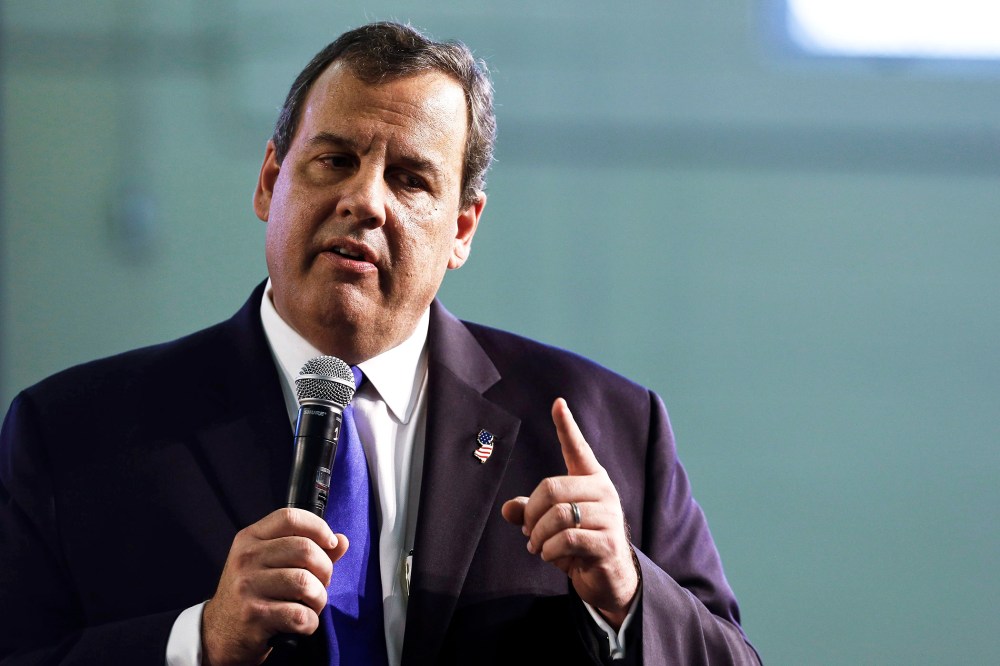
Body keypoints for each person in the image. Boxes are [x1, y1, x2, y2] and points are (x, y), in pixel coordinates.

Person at [0, 21, 761, 666]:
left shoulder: (608, 428)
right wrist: (199, 639)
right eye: (335, 160)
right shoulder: (75, 433)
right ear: (271, 182)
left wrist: (627, 595)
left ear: (462, 229)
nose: (364, 200)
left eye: (410, 179)